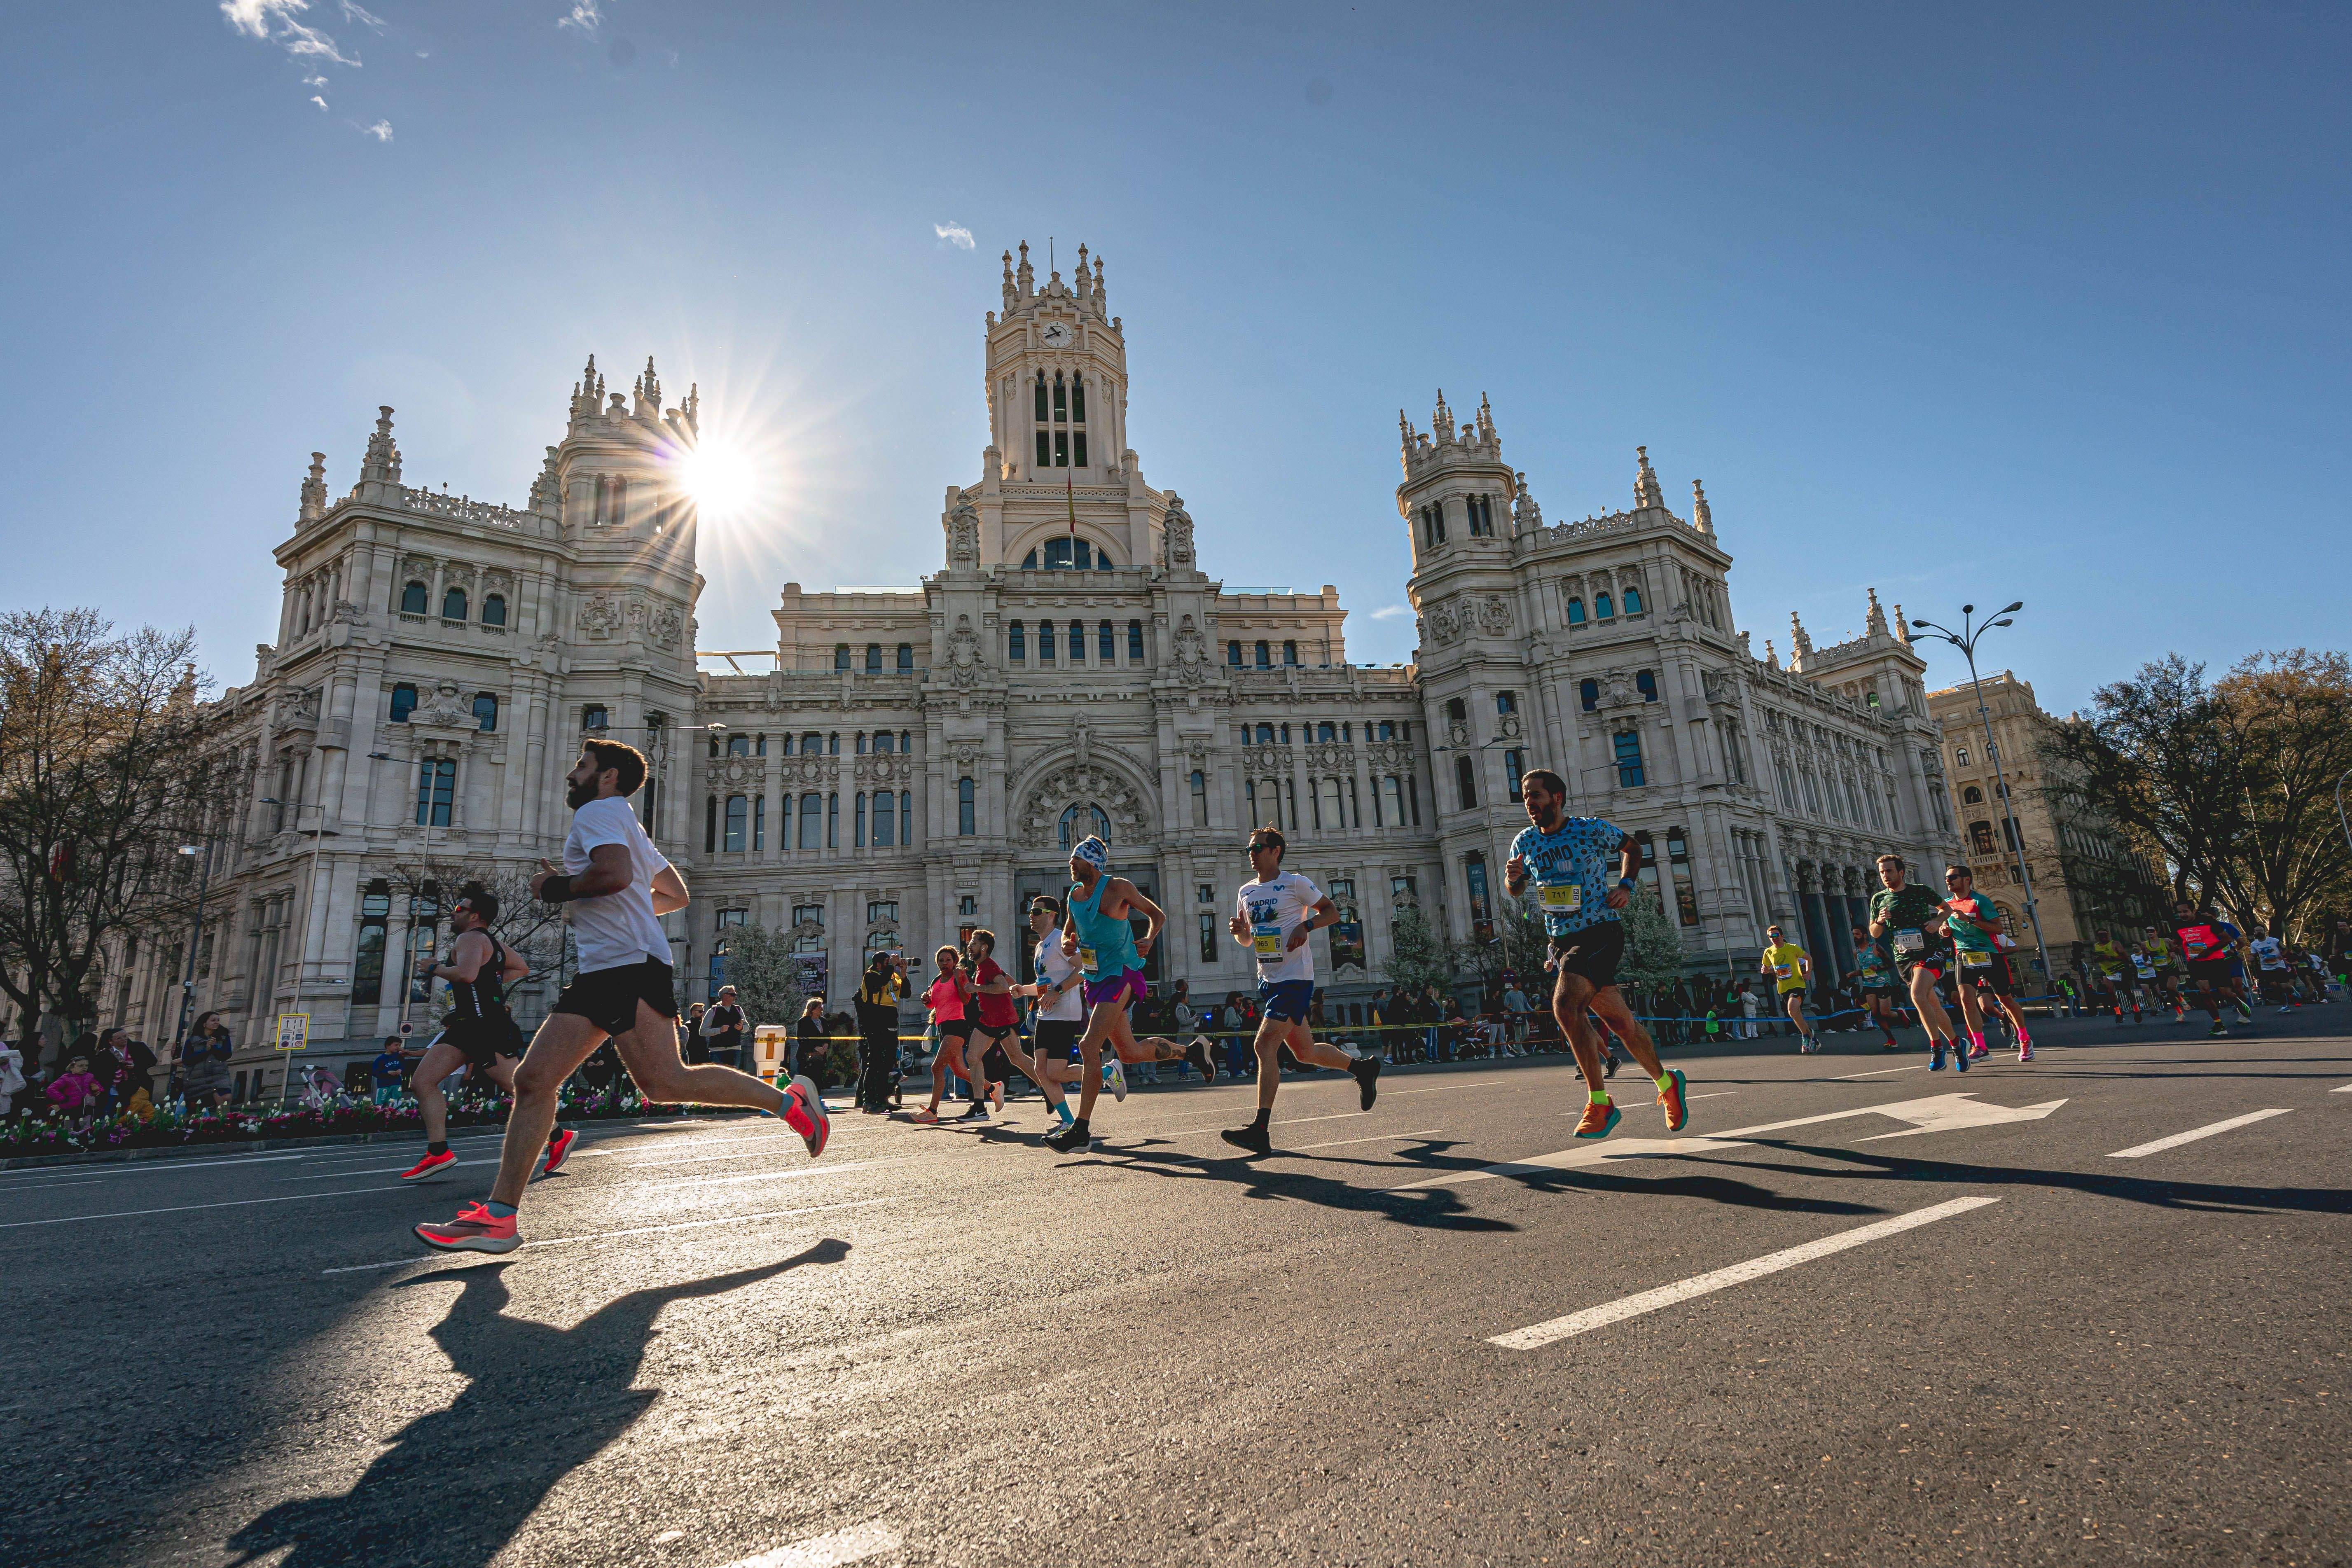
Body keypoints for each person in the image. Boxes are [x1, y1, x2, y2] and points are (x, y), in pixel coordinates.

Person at [415, 741, 826, 1253]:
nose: (572, 773)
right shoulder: (626, 820)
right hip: (614, 965)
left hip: (624, 966)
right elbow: (675, 894)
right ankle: (499, 1219)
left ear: (607, 776)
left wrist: (554, 888)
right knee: (551, 1079)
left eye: (582, 766)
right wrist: (627, 908)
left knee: (637, 1081)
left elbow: (613, 875)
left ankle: (790, 1103)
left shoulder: (597, 813)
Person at [1501, 769, 1689, 1141]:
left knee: (1565, 1006)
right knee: (1621, 1024)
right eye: (1525, 797)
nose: (1529, 803)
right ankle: (1668, 1083)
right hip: (1562, 942)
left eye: (1535, 795)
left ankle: (1600, 1102)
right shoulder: (1523, 842)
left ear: (1556, 797)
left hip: (1600, 931)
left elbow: (1633, 848)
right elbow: (1517, 890)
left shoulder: (1590, 829)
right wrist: (1513, 877)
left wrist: (1626, 885)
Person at [1219, 826, 1383, 1156]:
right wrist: (1240, 932)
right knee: (1304, 1052)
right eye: (1249, 849)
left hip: (1295, 978)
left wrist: (1305, 926)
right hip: (1269, 979)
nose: (1252, 853)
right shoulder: (1246, 891)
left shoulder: (1296, 883)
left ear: (1276, 851)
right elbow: (1248, 940)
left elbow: (1332, 912)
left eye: (1258, 847)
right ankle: (1362, 1069)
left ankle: (1260, 1130)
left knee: (1264, 1044)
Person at [393, 884, 574, 1183]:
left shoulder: (470, 937)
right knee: (423, 1081)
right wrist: (492, 982)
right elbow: (521, 968)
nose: (453, 914)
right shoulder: (492, 943)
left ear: (474, 915)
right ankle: (438, 1151)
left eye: (458, 910)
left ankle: (557, 1135)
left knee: (517, 1088)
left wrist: (436, 967)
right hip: (466, 1024)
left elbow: (466, 975)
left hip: (484, 1025)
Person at [1042, 837, 1172, 1153]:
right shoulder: (1074, 895)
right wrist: (1068, 945)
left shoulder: (1119, 888)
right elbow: (1070, 934)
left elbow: (1158, 915)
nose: (1071, 863)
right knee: (1127, 1052)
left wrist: (1149, 938)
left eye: (1077, 859)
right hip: (1095, 977)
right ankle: (1192, 1052)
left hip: (1123, 971)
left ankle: (1081, 1131)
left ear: (1094, 863)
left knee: (1089, 1045)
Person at [1868, 853, 1968, 1072]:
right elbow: (1874, 932)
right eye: (1882, 872)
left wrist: (1936, 921)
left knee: (1917, 996)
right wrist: (1880, 920)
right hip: (1903, 958)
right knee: (1931, 1004)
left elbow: (1947, 909)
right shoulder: (1879, 899)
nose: (1885, 875)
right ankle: (1957, 1044)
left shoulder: (1921, 891)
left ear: (1901, 872)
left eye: (1890, 871)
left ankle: (1937, 1048)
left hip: (1930, 951)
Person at [1941, 865, 2034, 1062]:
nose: (1949, 881)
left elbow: (1998, 929)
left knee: (2005, 1000)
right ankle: (1980, 1046)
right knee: (1967, 1001)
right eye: (1947, 878)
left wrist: (1970, 920)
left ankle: (2025, 1039)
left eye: (1953, 877)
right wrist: (1945, 930)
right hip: (1964, 956)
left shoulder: (1980, 901)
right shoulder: (1946, 905)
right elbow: (1946, 928)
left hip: (1990, 955)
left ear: (1967, 879)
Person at [909, 945, 988, 1122]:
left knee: (936, 1068)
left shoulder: (959, 976)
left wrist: (960, 981)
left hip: (957, 1026)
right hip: (942, 1028)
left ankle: (932, 1112)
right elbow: (932, 1005)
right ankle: (992, 1089)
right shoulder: (936, 981)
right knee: (960, 1071)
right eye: (941, 960)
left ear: (955, 962)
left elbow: (966, 1000)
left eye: (948, 960)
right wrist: (926, 1001)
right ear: (937, 963)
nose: (945, 963)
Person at [2171, 900, 2244, 1038]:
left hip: (2216, 961)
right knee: (2204, 992)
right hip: (2196, 963)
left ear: (2193, 911)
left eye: (2185, 912)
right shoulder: (2177, 925)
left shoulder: (2208, 921)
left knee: (2226, 993)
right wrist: (2175, 947)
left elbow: (2227, 940)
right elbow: (2177, 942)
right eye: (2180, 912)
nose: (2182, 915)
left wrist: (2209, 951)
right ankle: (2218, 1024)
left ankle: (2236, 1000)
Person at [854, 951, 906, 1114]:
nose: (891, 964)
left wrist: (903, 974)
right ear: (879, 964)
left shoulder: (891, 977)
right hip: (875, 1023)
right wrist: (891, 966)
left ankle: (884, 1098)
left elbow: (906, 993)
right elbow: (879, 983)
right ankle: (869, 1100)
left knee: (888, 1062)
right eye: (887, 962)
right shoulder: (871, 976)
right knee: (876, 1061)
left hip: (890, 1022)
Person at [1758, 925, 1817, 1051]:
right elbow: (1766, 968)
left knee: (1792, 1010)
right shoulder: (1768, 952)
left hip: (1797, 985)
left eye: (1776, 935)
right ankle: (1811, 1036)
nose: (1774, 938)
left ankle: (1805, 1036)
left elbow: (1809, 958)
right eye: (1771, 937)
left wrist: (1808, 973)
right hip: (1783, 988)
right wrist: (1765, 970)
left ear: (1782, 936)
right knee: (1795, 1015)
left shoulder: (1792, 948)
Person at [1849, 925, 1904, 1049]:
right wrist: (1855, 973)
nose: (1855, 937)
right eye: (1853, 935)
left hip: (1883, 982)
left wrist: (1878, 968)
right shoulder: (1856, 952)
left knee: (1884, 1013)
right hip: (1869, 984)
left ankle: (1900, 1014)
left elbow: (1890, 964)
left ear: (1865, 935)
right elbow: (1865, 969)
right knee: (1875, 1013)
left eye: (1857, 934)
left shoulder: (1875, 947)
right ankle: (1891, 1039)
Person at [177, 1012, 234, 1112]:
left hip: (219, 1076)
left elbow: (226, 1055)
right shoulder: (192, 1041)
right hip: (198, 1078)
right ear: (204, 1024)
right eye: (213, 1020)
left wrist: (214, 1048)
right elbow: (187, 1060)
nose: (217, 1022)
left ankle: (223, 1125)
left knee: (226, 1098)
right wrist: (205, 1051)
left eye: (218, 1020)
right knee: (197, 1108)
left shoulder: (224, 1038)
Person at [2249, 926, 2296, 1012]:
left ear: (2264, 931)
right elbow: (2254, 955)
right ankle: (2285, 1006)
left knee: (2284, 986)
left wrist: (2283, 956)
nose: (2259, 932)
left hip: (2279, 966)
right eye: (2257, 931)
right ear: (2254, 933)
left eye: (2261, 930)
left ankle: (2293, 991)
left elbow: (2285, 949)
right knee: (2275, 986)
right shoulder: (2254, 944)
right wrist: (2252, 958)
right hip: (2267, 968)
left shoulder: (2274, 940)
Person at [700, 986, 749, 1069]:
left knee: (733, 1078)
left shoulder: (738, 1009)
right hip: (717, 1051)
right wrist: (720, 1030)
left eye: (735, 994)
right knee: (719, 1078)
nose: (735, 996)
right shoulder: (713, 1011)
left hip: (735, 1050)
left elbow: (747, 1026)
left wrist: (741, 1028)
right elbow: (702, 1031)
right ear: (724, 996)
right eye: (733, 994)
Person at [793, 996, 833, 1094]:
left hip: (820, 1056)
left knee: (818, 1080)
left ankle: (818, 1099)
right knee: (808, 1080)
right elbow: (802, 1038)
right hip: (807, 1057)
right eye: (820, 1007)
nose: (822, 1009)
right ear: (813, 1009)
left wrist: (826, 1044)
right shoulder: (803, 1022)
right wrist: (815, 1047)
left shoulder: (823, 1021)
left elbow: (828, 1035)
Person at [369, 1037, 408, 1106]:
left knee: (397, 1104)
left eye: (399, 1046)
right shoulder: (380, 1059)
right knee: (382, 1105)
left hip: (397, 1084)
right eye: (396, 1045)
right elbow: (375, 1072)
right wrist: (387, 1072)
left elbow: (405, 1066)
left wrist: (401, 1070)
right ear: (388, 1046)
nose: (398, 1047)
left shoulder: (399, 1057)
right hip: (384, 1086)